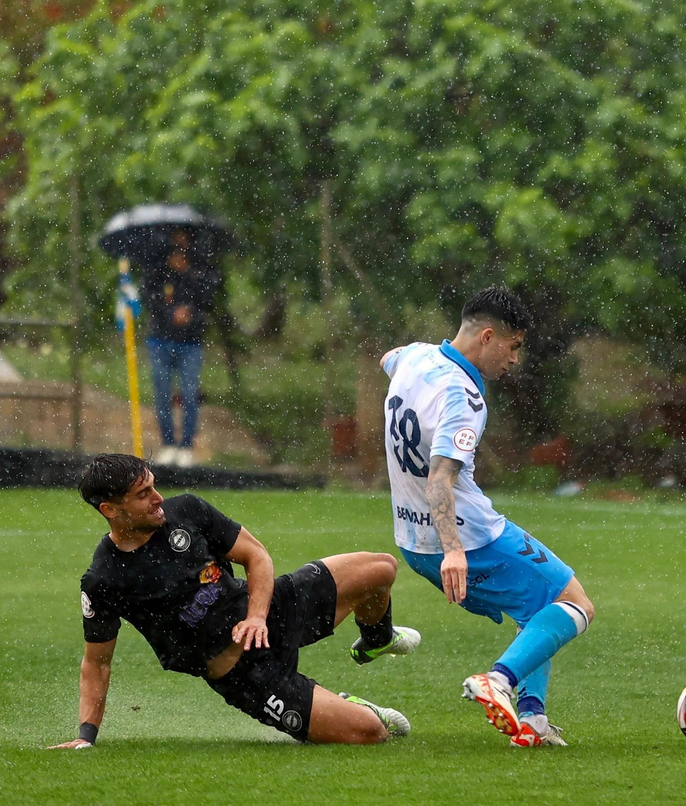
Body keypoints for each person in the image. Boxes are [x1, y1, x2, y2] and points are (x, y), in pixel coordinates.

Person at [49, 454, 420, 749]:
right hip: (248, 675)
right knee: (371, 733)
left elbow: (256, 556)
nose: (158, 498)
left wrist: (257, 616)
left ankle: (378, 639)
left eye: (153, 485)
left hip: (269, 612)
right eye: (143, 494)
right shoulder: (104, 579)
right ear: (110, 510)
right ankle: (350, 706)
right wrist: (86, 735)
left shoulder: (186, 511)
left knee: (380, 569)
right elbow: (96, 663)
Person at [380, 286, 595, 747]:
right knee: (575, 605)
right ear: (489, 337)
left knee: (537, 606)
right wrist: (455, 551)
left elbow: (388, 357)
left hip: (411, 541)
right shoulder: (465, 400)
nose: (515, 360)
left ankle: (533, 722)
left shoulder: (413, 357)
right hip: (468, 537)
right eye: (514, 347)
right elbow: (440, 480)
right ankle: (498, 680)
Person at [141, 230, 221, 464]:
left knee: (189, 392)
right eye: (175, 238)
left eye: (183, 238)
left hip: (191, 342)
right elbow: (150, 298)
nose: (179, 244)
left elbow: (207, 300)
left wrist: (190, 312)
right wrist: (169, 314)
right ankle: (168, 444)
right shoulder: (156, 267)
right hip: (160, 340)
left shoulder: (200, 267)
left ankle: (187, 445)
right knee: (162, 392)